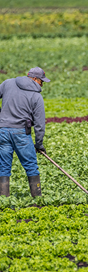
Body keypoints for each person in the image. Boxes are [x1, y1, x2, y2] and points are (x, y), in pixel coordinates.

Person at [0, 67, 48, 197]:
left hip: (2, 131)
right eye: (41, 81)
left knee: (3, 166)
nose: (42, 84)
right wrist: (39, 144)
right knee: (31, 165)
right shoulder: (37, 97)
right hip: (21, 133)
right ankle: (37, 198)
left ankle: (3, 198)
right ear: (34, 79)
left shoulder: (7, 83)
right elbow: (39, 125)